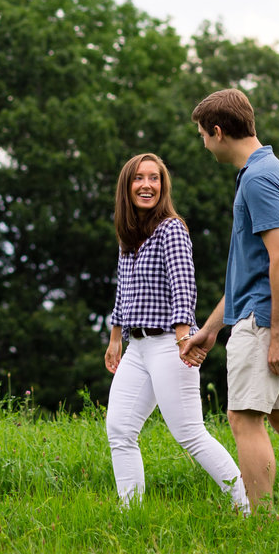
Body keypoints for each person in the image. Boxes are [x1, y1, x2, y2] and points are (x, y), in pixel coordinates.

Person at [179, 88, 279, 514]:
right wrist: (211, 329)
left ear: (218, 132)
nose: (202, 142)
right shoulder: (270, 170)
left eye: (202, 133)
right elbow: (248, 272)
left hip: (266, 319)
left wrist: (274, 335)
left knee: (244, 418)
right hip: (271, 314)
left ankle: (263, 526)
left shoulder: (257, 179)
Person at [104, 152, 249, 513]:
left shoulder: (171, 228)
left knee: (190, 433)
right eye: (139, 178)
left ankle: (246, 506)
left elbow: (183, 286)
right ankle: (131, 514)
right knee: (120, 431)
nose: (147, 185)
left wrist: (184, 337)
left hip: (169, 343)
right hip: (136, 348)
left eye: (154, 178)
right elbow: (123, 290)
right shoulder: (129, 235)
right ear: (128, 185)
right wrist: (115, 337)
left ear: (162, 186)